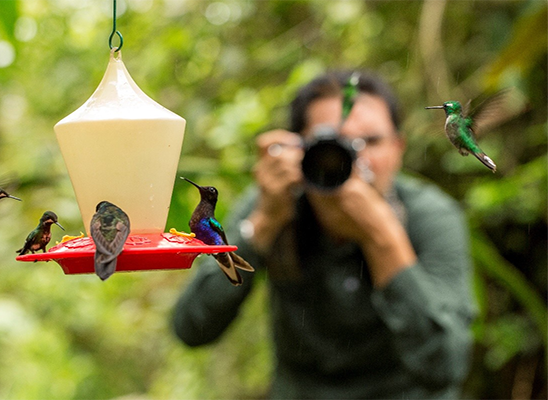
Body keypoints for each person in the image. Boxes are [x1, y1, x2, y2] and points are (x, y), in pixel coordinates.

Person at [172, 70, 476, 400]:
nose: (353, 158)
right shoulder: (277, 203)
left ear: (398, 147)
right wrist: (262, 225)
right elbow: (192, 327)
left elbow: (446, 367)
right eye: (332, 143)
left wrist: (383, 237)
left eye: (370, 141)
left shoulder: (428, 215)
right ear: (297, 149)